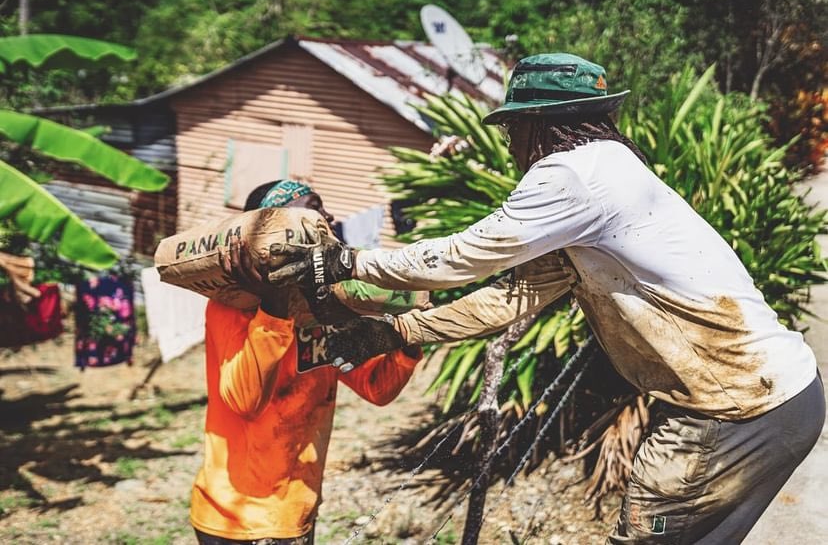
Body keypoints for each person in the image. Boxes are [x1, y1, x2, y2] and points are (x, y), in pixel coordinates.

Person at [266, 55, 826, 544]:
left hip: (734, 409)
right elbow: (514, 296)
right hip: (777, 397)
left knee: (646, 536)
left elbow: (463, 256)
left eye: (512, 128)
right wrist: (399, 332)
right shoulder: (607, 174)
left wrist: (350, 260)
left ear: (535, 124)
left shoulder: (572, 178)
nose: (510, 143)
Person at [189, 179, 423, 545]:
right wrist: (274, 308)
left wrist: (410, 337)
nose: (329, 215)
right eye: (315, 206)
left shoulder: (324, 307)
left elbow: (376, 387)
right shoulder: (233, 306)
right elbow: (243, 401)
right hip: (235, 518)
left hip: (295, 511)